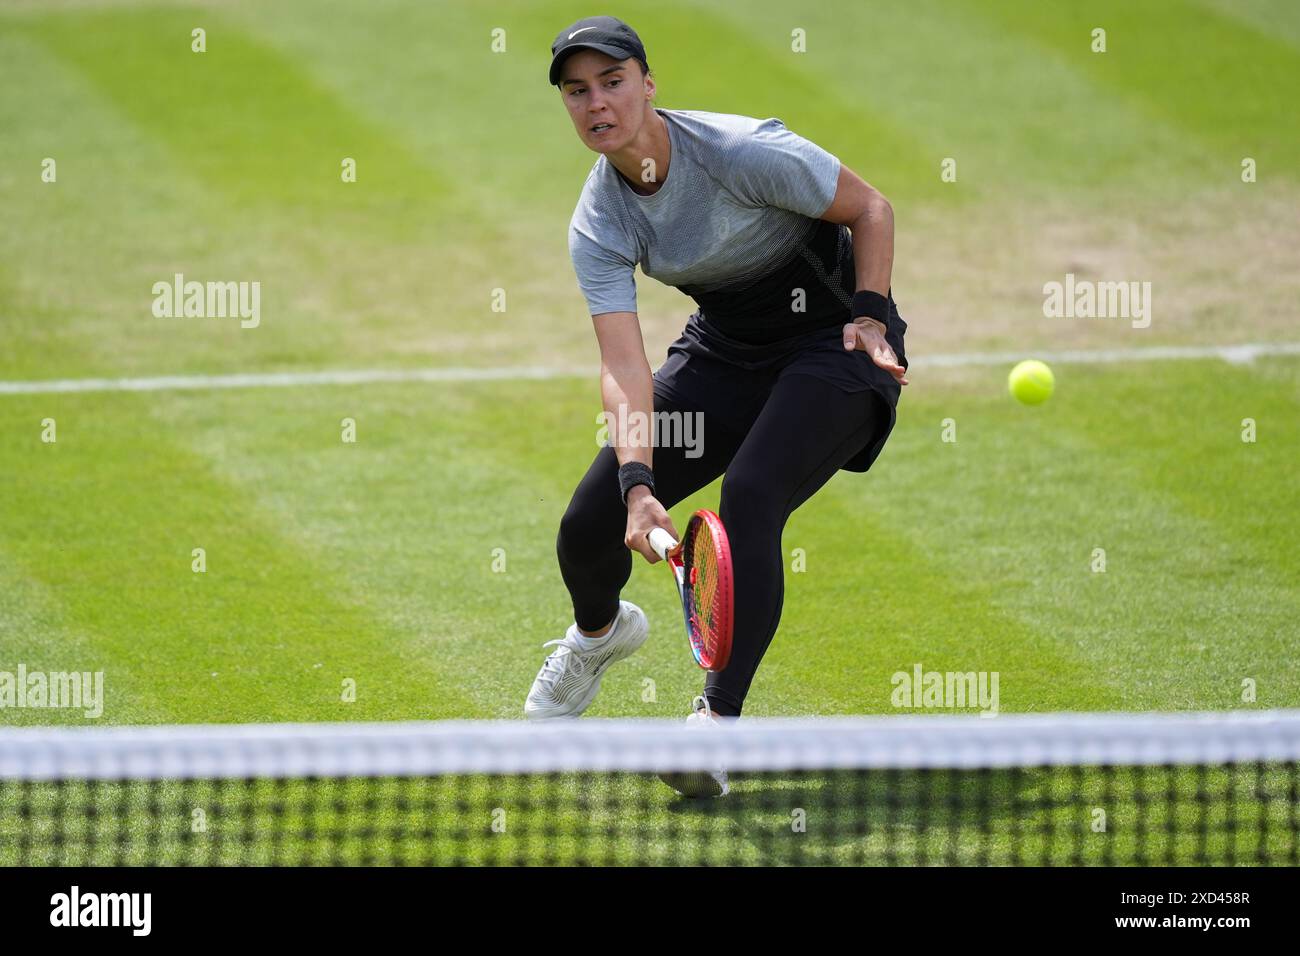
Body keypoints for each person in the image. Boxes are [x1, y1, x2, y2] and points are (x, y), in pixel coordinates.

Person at [525, 16, 909, 794]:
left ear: (648, 84)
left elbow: (871, 208)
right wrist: (639, 487)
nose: (597, 103)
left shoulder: (739, 151)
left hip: (833, 342)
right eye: (577, 91)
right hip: (728, 350)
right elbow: (625, 364)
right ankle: (598, 637)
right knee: (588, 521)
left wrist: (869, 314)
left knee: (754, 494)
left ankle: (716, 728)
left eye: (613, 82)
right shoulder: (598, 220)